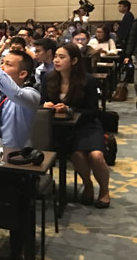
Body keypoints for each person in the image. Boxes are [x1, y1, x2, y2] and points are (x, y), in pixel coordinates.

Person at [41, 43, 110, 208]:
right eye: (56, 56)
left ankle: (104, 190)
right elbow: (42, 103)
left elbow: (93, 111)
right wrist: (46, 106)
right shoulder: (48, 78)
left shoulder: (88, 80)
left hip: (86, 125)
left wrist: (69, 109)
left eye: (61, 57)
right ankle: (88, 184)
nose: (56, 60)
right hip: (62, 128)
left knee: (96, 156)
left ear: (74, 61)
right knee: (78, 155)